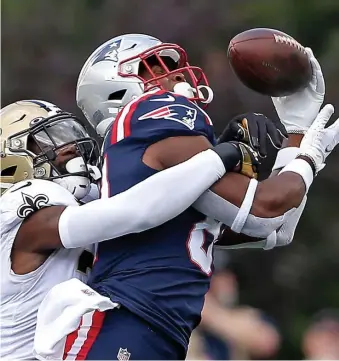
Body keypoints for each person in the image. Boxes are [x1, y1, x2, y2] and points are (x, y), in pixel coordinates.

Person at [43, 34, 339, 360]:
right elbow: (262, 211)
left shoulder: (165, 173)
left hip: (154, 331)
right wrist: (307, 159)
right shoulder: (146, 113)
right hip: (125, 323)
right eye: (157, 66)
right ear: (116, 88)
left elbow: (275, 228)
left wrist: (297, 134)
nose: (180, 73)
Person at [0, 99, 253, 360]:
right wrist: (216, 159)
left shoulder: (84, 204)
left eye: (68, 135)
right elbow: (135, 210)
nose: (70, 147)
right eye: (46, 139)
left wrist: (212, 162)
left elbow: (170, 211)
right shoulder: (21, 209)